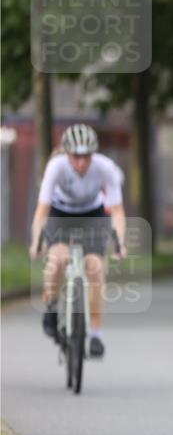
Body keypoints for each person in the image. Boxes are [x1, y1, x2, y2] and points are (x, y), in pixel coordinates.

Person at [29, 124, 127, 357]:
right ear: (67, 154)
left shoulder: (105, 168)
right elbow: (42, 210)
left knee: (96, 268)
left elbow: (118, 211)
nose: (82, 163)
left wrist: (120, 243)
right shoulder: (56, 166)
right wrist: (36, 242)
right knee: (58, 259)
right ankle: (51, 306)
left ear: (94, 154)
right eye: (76, 157)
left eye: (87, 157)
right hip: (61, 212)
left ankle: (96, 333)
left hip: (92, 214)